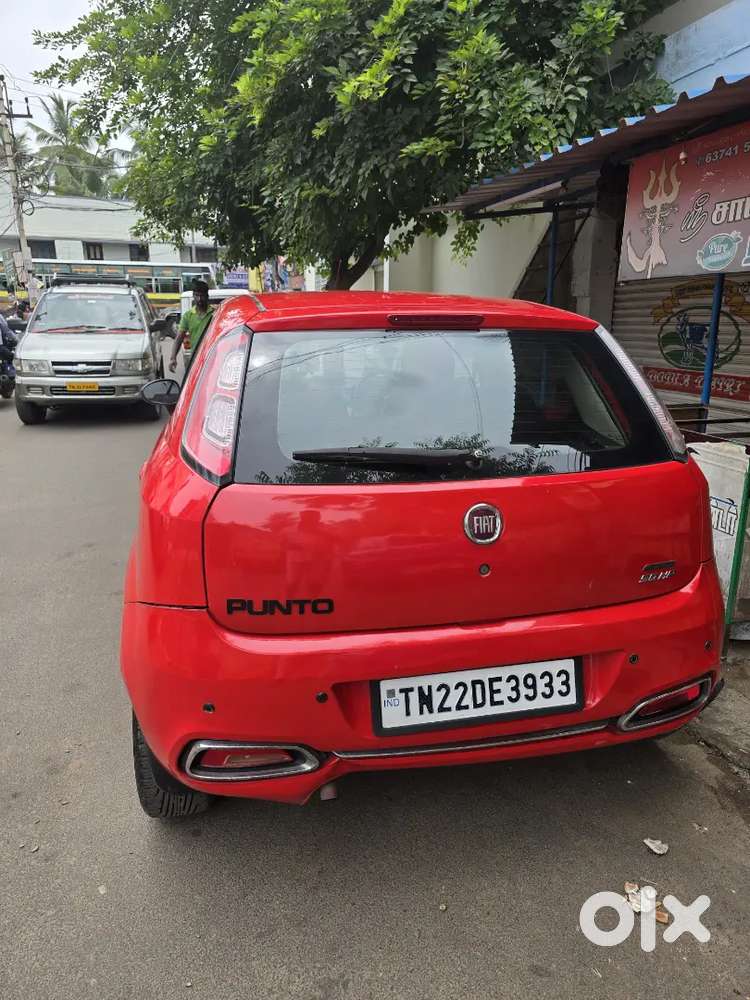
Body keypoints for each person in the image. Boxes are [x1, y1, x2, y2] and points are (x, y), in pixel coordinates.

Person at [169, 280, 214, 374]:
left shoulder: (215, 314)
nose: (199, 299)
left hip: (213, 357)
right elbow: (179, 337)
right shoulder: (188, 316)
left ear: (207, 296)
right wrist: (173, 358)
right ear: (193, 296)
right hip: (195, 359)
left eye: (202, 296)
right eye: (197, 295)